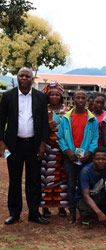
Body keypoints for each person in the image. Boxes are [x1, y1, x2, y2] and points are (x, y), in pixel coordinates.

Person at [0, 67, 49, 225]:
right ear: (17, 77)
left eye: (27, 76)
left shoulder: (41, 97)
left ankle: (34, 213)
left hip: (34, 145)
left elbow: (43, 123)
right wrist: (1, 143)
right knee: (14, 180)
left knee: (34, 180)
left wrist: (42, 143)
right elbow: (1, 121)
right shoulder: (8, 96)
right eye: (21, 75)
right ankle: (14, 213)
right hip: (14, 145)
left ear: (32, 79)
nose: (24, 78)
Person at [58, 90, 99, 223]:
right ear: (73, 100)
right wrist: (68, 152)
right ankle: (72, 213)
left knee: (84, 186)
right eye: (77, 98)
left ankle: (83, 212)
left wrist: (89, 153)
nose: (80, 100)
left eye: (83, 98)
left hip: (85, 158)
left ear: (86, 100)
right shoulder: (66, 118)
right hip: (70, 158)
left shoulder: (92, 119)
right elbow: (60, 137)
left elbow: (95, 139)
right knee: (70, 185)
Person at [76, 147, 106, 226]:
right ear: (93, 159)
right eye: (97, 159)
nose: (101, 161)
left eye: (103, 159)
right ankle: (88, 217)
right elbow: (86, 196)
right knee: (85, 209)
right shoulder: (85, 172)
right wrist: (99, 213)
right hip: (86, 199)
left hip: (100, 196)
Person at [40, 81, 68, 218]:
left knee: (62, 179)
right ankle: (45, 207)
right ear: (48, 96)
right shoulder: (42, 111)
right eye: (52, 94)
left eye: (58, 95)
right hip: (47, 149)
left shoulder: (67, 111)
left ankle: (61, 207)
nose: (55, 97)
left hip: (62, 150)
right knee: (46, 178)